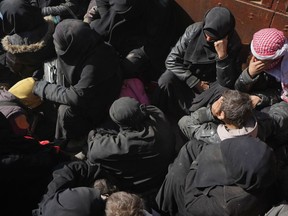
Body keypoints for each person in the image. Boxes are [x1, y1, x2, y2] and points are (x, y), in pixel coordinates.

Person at [31, 19, 122, 149]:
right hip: (90, 90)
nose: (56, 46)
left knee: (65, 111)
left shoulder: (95, 65)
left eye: (59, 44)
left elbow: (77, 97)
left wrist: (43, 88)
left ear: (72, 45)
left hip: (100, 104)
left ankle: (70, 141)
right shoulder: (88, 45)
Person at [85, 97, 176, 208]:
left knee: (93, 164)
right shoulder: (157, 114)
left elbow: (94, 152)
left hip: (138, 186)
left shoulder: (125, 144)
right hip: (162, 169)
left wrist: (95, 134)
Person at [153, 6, 242, 119]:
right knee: (166, 79)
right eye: (206, 34)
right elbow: (171, 61)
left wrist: (222, 57)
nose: (208, 39)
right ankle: (158, 113)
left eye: (213, 36)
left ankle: (196, 118)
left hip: (210, 86)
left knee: (224, 93)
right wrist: (195, 82)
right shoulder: (194, 31)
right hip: (187, 78)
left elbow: (226, 82)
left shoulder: (233, 44)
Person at [156, 136, 279, 216]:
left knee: (176, 174)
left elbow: (190, 202)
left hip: (197, 204)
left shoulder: (228, 205)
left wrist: (196, 166)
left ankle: (162, 208)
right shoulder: (266, 167)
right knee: (191, 147)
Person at [89, 0, 176, 82]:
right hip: (112, 17)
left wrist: (136, 56)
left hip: (139, 38)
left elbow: (156, 44)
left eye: (126, 13)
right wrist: (105, 15)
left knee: (126, 69)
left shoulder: (160, 8)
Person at [0, 111, 69, 216]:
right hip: (32, 201)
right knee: (71, 169)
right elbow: (40, 162)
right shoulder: (11, 160)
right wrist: (50, 151)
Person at [178, 89, 276, 145]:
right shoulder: (265, 122)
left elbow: (184, 122)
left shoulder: (213, 138)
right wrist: (260, 99)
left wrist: (210, 112)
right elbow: (281, 107)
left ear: (221, 115)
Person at [0, 0, 56, 80]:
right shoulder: (47, 25)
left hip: (31, 75)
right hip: (50, 63)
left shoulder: (13, 45)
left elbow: (14, 67)